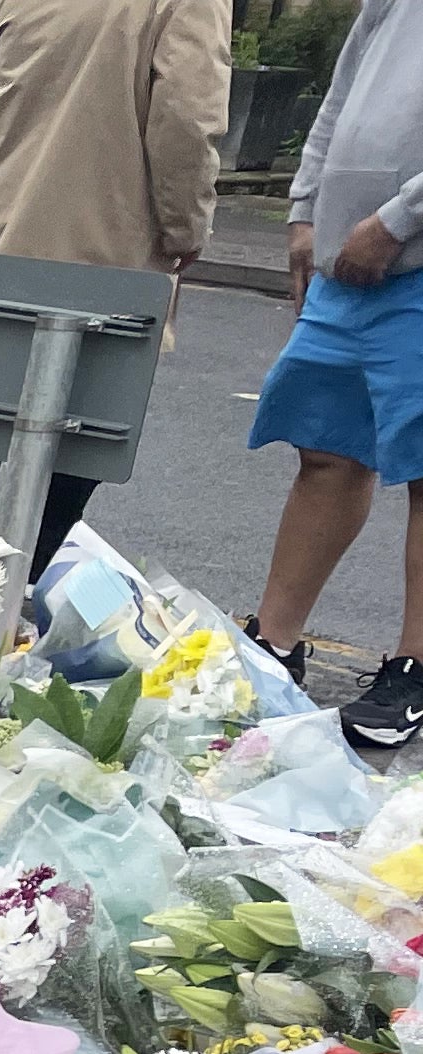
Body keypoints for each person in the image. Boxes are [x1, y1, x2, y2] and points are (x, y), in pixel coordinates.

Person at [0, 0, 229, 572]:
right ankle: (9, 606)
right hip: (104, 257)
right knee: (73, 457)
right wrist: (185, 227)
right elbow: (186, 123)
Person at [247, 0, 423, 755]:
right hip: (347, 263)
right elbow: (340, 98)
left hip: (401, 250)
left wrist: (398, 221)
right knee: (325, 446)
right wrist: (302, 209)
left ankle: (415, 667)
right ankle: (275, 643)